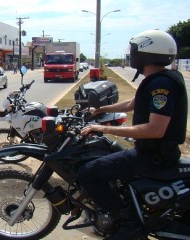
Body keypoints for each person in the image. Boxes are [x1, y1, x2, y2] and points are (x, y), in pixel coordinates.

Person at [77, 29, 188, 240]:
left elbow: (155, 130)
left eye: (135, 51)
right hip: (154, 153)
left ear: (147, 54)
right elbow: (132, 104)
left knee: (88, 173)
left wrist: (104, 128)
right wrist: (101, 110)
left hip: (152, 157)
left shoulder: (161, 84)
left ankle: (127, 223)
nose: (132, 55)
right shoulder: (159, 78)